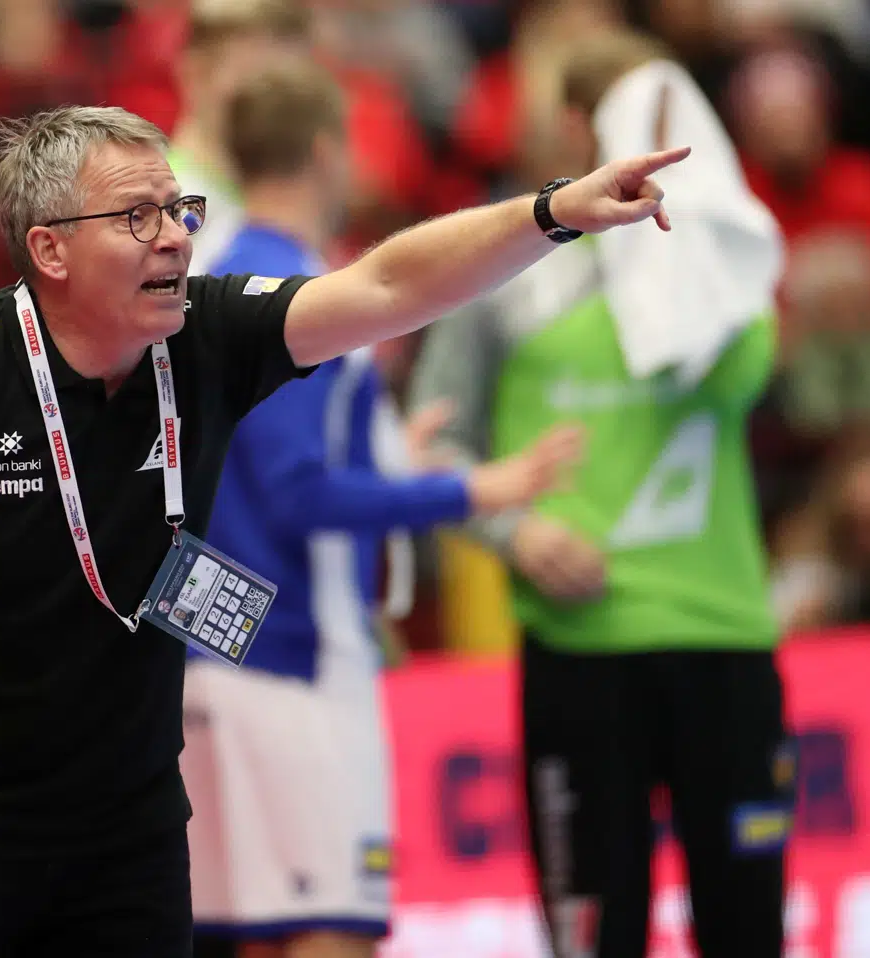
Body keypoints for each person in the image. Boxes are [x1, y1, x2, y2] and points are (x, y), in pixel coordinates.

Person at [0, 99, 688, 956]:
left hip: (129, 837)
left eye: (180, 209)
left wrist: (555, 210)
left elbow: (389, 285)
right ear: (49, 250)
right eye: (138, 217)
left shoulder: (205, 335)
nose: (175, 239)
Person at [182, 62, 578, 958]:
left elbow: (249, 464)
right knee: (333, 930)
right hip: (292, 659)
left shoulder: (218, 272)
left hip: (222, 641)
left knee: (252, 930)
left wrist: (387, 453)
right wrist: (473, 489)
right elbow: (296, 492)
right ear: (330, 150)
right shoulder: (294, 289)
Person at [409, 29, 789, 958]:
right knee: (590, 937)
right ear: (576, 124)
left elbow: (751, 371)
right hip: (579, 650)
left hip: (722, 637)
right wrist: (513, 532)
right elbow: (427, 439)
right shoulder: (503, 266)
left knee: (747, 933)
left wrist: (700, 220)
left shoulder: (724, 264)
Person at [169, 0, 313, 273]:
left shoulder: (284, 198)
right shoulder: (172, 202)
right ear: (195, 76)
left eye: (292, 89)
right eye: (257, 84)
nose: (280, 107)